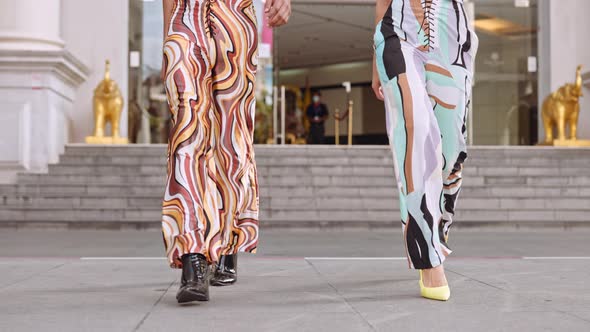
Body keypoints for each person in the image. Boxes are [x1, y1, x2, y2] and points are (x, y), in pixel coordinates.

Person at [160, 0, 291, 303]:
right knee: (186, 134)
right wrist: (168, 35)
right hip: (184, 18)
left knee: (231, 141)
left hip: (235, 19)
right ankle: (193, 257)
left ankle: (228, 241)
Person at [372, 0, 478, 301]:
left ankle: (438, 223)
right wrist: (374, 62)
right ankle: (428, 256)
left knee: (451, 146)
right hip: (396, 28)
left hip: (451, 28)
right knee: (415, 129)